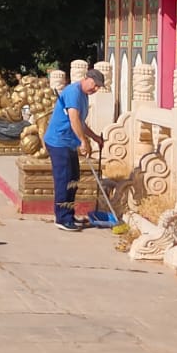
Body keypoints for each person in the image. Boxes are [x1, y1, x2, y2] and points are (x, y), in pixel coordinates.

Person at [44, 67, 106, 231]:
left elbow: (81, 123)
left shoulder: (84, 96)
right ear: (86, 79)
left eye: (98, 87)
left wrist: (95, 138)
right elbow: (73, 119)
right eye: (95, 85)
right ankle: (62, 217)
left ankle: (69, 214)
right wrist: (83, 142)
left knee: (73, 180)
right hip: (59, 142)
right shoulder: (73, 92)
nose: (96, 89)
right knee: (64, 180)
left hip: (69, 143)